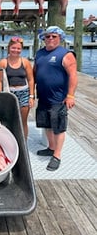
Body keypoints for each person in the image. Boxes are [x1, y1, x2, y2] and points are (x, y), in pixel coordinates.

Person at [33, 26, 78, 171]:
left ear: (60, 38)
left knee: (58, 127)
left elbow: (73, 75)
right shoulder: (39, 53)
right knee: (47, 124)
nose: (50, 39)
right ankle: (51, 148)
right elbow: (35, 72)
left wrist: (70, 95)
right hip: (43, 97)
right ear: (43, 39)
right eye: (47, 36)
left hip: (58, 98)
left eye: (54, 36)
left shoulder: (65, 54)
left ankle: (57, 155)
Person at [0, 36, 35, 139]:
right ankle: (10, 141)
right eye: (13, 48)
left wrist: (31, 96)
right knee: (10, 120)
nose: (16, 50)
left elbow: (31, 80)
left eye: (18, 48)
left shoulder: (25, 62)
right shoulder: (3, 62)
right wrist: (0, 96)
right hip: (10, 93)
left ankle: (23, 142)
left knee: (23, 121)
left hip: (24, 93)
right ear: (9, 48)